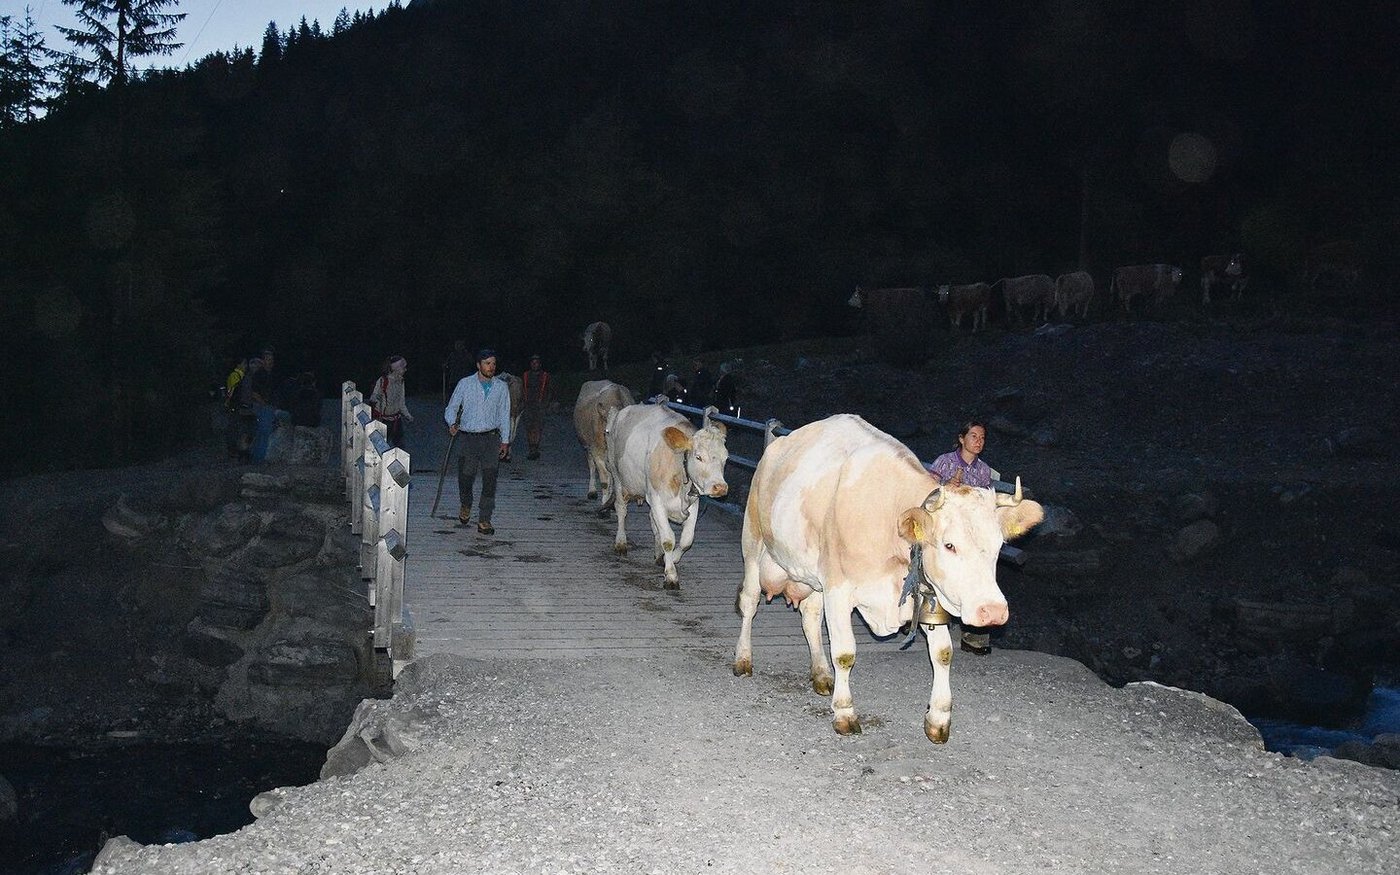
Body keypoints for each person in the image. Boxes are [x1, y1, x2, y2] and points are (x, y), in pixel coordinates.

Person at [924, 419, 997, 655]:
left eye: (982, 438)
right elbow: (925, 493)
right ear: (961, 438)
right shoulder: (944, 462)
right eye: (974, 436)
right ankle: (927, 618)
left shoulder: (984, 470)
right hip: (946, 531)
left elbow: (986, 502)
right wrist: (945, 486)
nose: (978, 441)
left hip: (972, 537)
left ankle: (975, 636)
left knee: (980, 578)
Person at [444, 348, 512, 535]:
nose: (491, 367)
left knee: (490, 479)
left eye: (494, 364)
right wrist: (452, 423)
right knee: (466, 477)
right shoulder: (465, 384)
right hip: (468, 438)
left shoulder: (501, 387)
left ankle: (484, 519)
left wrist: (505, 441)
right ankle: (466, 504)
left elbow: (505, 415)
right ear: (478, 365)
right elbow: (452, 407)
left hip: (491, 439)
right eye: (487, 363)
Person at [369, 355, 415, 447]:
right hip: (383, 420)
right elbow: (373, 398)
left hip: (396, 420)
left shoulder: (401, 381)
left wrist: (407, 415)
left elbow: (401, 402)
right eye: (403, 368)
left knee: (399, 447)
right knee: (380, 446)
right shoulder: (383, 381)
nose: (405, 370)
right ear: (396, 369)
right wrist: (377, 397)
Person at [520, 354, 552, 460]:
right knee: (529, 428)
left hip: (540, 405)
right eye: (533, 363)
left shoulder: (545, 376)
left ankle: (535, 448)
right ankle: (531, 448)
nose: (535, 365)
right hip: (528, 405)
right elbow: (522, 390)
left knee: (538, 427)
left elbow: (550, 391)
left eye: (536, 363)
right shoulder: (525, 375)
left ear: (540, 364)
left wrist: (546, 403)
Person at [223, 356, 248, 459]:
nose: (246, 366)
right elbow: (231, 392)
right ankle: (232, 451)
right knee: (234, 428)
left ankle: (237, 450)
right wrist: (229, 404)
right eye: (244, 363)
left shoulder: (242, 375)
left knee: (237, 427)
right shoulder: (235, 375)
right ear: (238, 365)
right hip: (235, 405)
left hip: (238, 405)